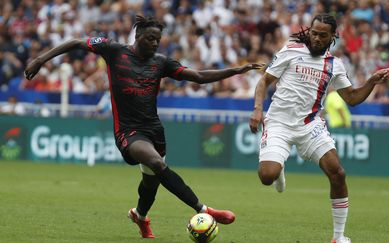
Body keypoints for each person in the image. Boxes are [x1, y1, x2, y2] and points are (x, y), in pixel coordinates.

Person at [24, 15, 264, 239]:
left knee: (150, 182)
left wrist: (235, 70)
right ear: (137, 36)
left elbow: (198, 76)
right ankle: (205, 209)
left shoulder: (160, 63)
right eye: (151, 38)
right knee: (158, 164)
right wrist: (40, 59)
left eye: (158, 40)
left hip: (154, 131)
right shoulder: (113, 50)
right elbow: (76, 42)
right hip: (128, 132)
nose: (155, 43)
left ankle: (139, 216)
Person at [249, 13, 389, 243]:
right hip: (279, 123)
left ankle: (338, 237)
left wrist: (371, 82)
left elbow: (352, 98)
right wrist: (257, 109)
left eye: (322, 35)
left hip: (310, 126)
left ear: (332, 37)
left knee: (338, 173)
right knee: (267, 176)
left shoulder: (335, 65)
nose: (316, 38)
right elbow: (264, 80)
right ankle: (278, 167)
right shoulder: (291, 50)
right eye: (313, 33)